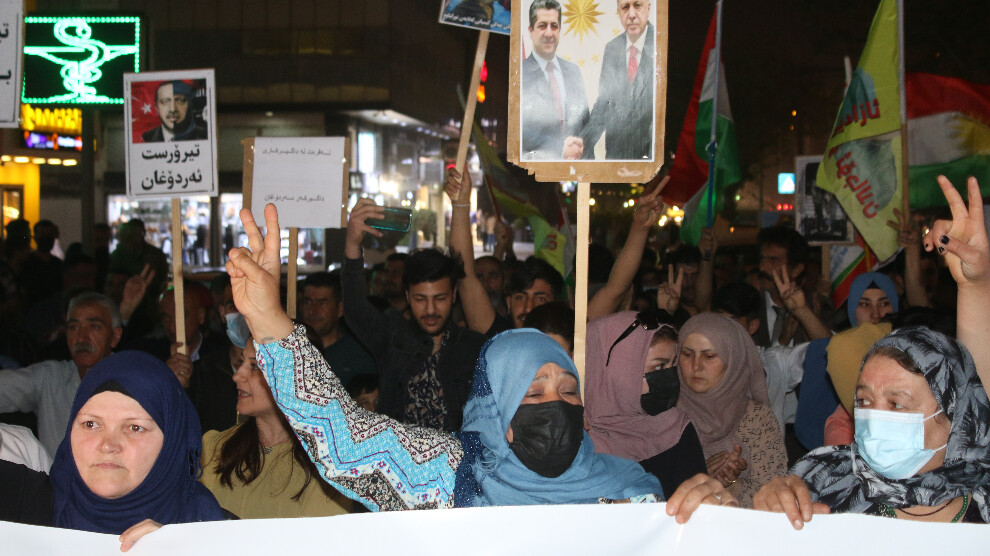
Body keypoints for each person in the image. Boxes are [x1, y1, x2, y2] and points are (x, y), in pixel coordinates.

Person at [224, 203, 732, 519]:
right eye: (532, 393)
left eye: (568, 390)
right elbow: (345, 440)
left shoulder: (632, 489)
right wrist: (269, 320)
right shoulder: (451, 475)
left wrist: (717, 520)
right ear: (497, 413)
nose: (556, 405)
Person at [343, 199, 485, 432]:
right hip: (396, 453)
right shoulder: (392, 338)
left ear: (453, 295)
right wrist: (352, 243)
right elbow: (355, 309)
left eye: (439, 298)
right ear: (408, 296)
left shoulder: (473, 348)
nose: (430, 310)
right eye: (420, 299)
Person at [200, 335, 352, 519]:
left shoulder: (331, 463)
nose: (237, 376)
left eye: (255, 366)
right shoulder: (215, 448)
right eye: (241, 362)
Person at [585, 311, 707, 498]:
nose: (668, 377)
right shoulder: (578, 440)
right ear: (619, 370)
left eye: (672, 366)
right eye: (658, 367)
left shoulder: (675, 429)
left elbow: (699, 507)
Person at [676, 312, 787, 507]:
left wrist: (729, 484)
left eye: (709, 356)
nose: (696, 366)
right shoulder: (665, 413)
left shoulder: (757, 419)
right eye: (687, 354)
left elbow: (774, 496)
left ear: (733, 360)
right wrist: (697, 476)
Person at [0, 292, 123, 457]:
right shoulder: (50, 377)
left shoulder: (133, 384)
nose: (81, 338)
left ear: (115, 336)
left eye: (94, 327)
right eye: (73, 327)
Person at [580, 0, 655, 159]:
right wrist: (581, 146)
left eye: (637, 5)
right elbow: (604, 104)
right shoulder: (612, 48)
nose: (632, 14)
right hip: (616, 157)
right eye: (625, 7)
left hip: (650, 158)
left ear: (648, 8)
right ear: (619, 12)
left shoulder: (661, 44)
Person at [520, 0, 589, 161]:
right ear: (531, 31)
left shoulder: (573, 72)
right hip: (536, 173)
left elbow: (586, 124)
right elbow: (520, 130)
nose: (549, 33)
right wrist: (560, 149)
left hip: (577, 169)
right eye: (542, 26)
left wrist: (581, 150)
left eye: (554, 26)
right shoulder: (520, 74)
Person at [301, 271, 376, 387]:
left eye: (322, 303)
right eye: (308, 301)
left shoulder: (357, 357)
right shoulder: (291, 350)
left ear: (340, 309)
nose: (313, 310)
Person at [141, 80, 208, 142]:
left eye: (180, 101)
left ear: (190, 105)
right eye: (165, 101)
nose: (173, 109)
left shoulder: (205, 136)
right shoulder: (145, 138)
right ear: (156, 108)